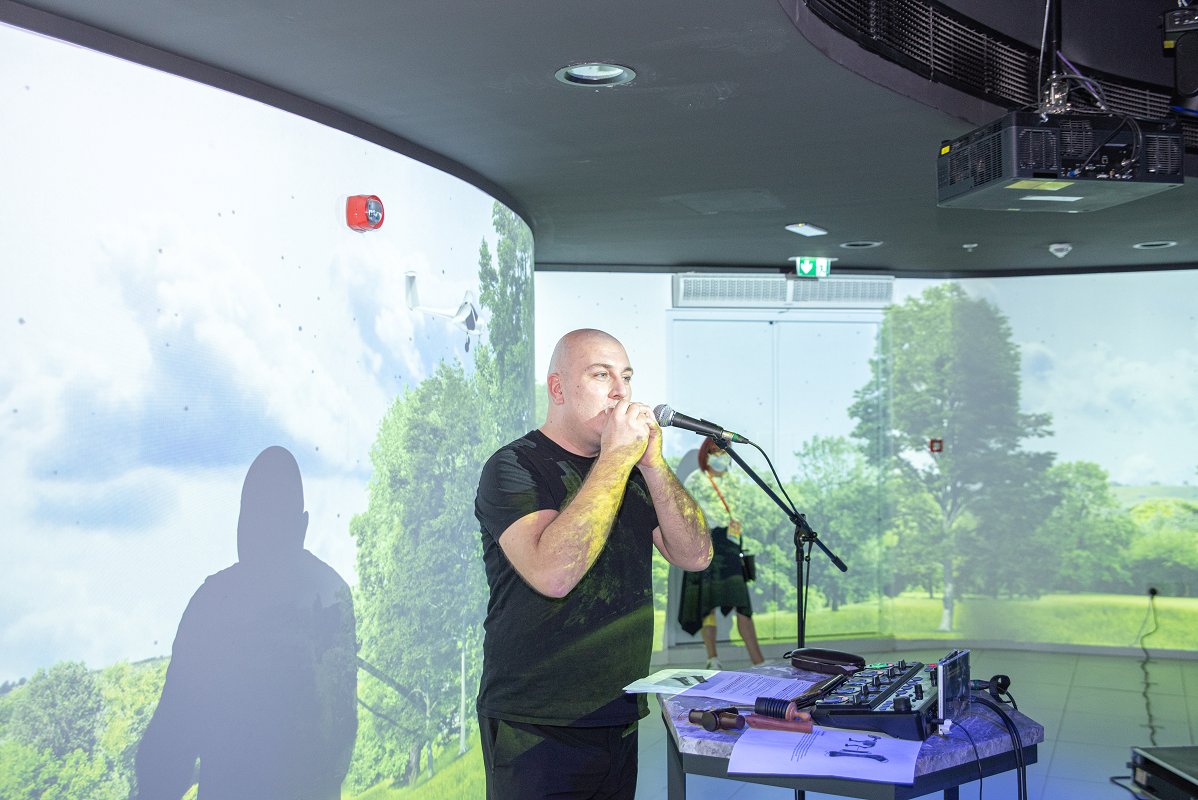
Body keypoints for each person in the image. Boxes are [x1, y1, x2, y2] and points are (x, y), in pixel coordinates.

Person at [474, 328, 712, 800]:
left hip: (619, 712)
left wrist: (652, 466)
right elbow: (553, 574)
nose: (621, 391)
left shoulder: (633, 471)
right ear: (558, 389)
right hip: (535, 723)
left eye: (626, 376)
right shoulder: (514, 466)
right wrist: (616, 460)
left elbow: (696, 555)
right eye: (602, 375)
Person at [136, 446, 357, 800]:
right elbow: (341, 739)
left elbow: (165, 758)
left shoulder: (211, 605)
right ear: (302, 526)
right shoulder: (333, 594)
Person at [677, 436, 765, 669]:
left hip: (730, 545)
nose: (719, 456)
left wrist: (735, 533)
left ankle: (758, 661)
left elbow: (739, 513)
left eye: (724, 451)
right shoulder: (695, 480)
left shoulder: (734, 481)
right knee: (707, 603)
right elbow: (686, 515)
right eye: (714, 451)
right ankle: (712, 658)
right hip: (705, 544)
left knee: (742, 603)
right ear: (705, 453)